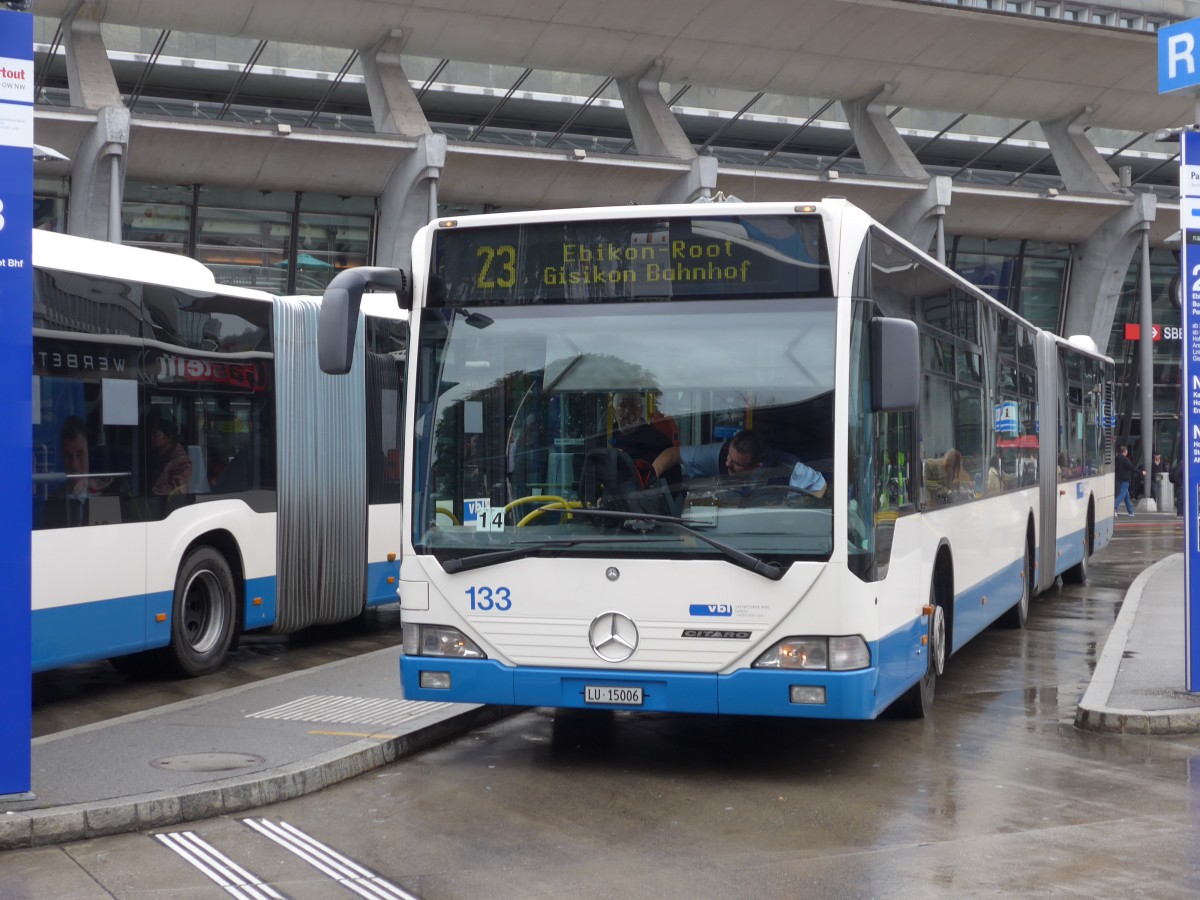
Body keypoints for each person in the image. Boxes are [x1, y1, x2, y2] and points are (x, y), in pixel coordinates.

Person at [650, 428, 826, 497]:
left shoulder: (790, 468)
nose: (727, 464)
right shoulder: (721, 455)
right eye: (729, 457)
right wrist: (649, 480)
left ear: (757, 466)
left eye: (736, 464)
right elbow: (673, 454)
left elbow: (822, 490)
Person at [43, 416, 92, 527]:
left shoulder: (105, 496)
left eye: (79, 455)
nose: (74, 464)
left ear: (90, 454)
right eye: (67, 455)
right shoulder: (52, 502)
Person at [148, 414, 193, 497]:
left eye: (156, 435)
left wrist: (153, 491)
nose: (152, 438)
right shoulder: (154, 456)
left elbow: (178, 489)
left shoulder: (182, 461)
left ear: (169, 437)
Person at [1114, 443, 1137, 516]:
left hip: (1119, 479)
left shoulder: (1117, 458)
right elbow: (1131, 467)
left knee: (1127, 496)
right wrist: (1141, 472)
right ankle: (1114, 508)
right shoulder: (1125, 459)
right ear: (1125, 451)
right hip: (1125, 480)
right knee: (1122, 495)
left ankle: (1130, 511)